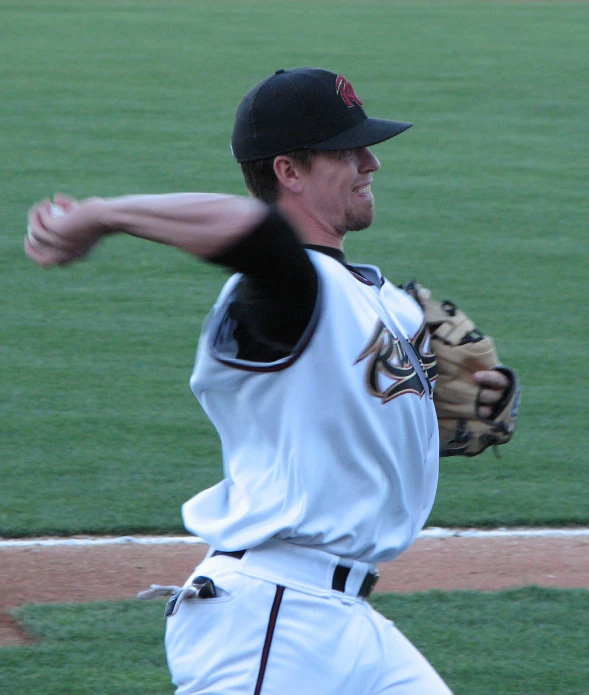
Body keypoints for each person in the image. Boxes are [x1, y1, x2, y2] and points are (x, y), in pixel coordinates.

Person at [26, 68, 512, 695]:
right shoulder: (288, 290)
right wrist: (102, 215)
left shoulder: (379, 298)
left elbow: (369, 417)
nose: (371, 163)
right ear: (289, 171)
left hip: (345, 622)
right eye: (346, 151)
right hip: (272, 620)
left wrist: (475, 402)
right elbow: (259, 235)